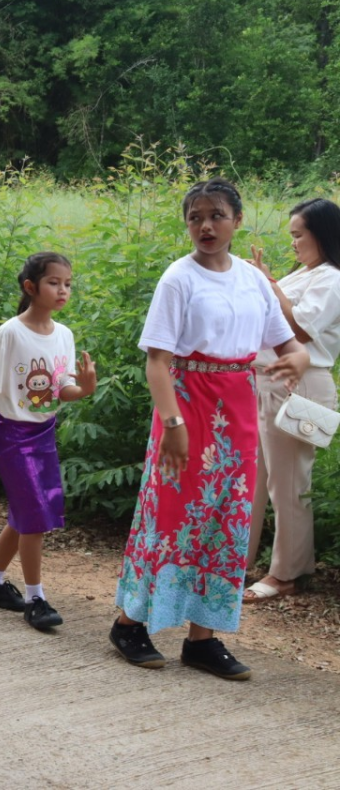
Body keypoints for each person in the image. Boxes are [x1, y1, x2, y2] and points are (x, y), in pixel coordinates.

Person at [111, 178, 309, 681]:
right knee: (170, 515)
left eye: (217, 215)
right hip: (185, 402)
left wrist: (299, 359)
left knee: (225, 520)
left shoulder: (252, 280)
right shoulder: (178, 278)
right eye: (196, 217)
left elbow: (289, 345)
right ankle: (129, 623)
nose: (205, 225)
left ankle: (203, 639)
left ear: (237, 221)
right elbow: (157, 362)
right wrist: (172, 423)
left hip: (238, 409)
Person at [0, 252, 97, 629]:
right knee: (34, 518)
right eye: (54, 282)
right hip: (13, 434)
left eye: (67, 283)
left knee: (24, 516)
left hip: (44, 434)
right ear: (31, 287)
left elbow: (60, 388)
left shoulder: (63, 335)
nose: (63, 289)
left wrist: (82, 389)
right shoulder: (11, 332)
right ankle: (36, 598)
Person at [244, 198, 340, 602]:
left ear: (323, 234)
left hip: (299, 385)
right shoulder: (305, 273)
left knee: (288, 484)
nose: (294, 244)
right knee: (254, 482)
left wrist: (269, 285)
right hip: (265, 383)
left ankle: (287, 572)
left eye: (299, 235)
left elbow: (300, 329)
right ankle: (238, 561)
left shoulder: (332, 278)